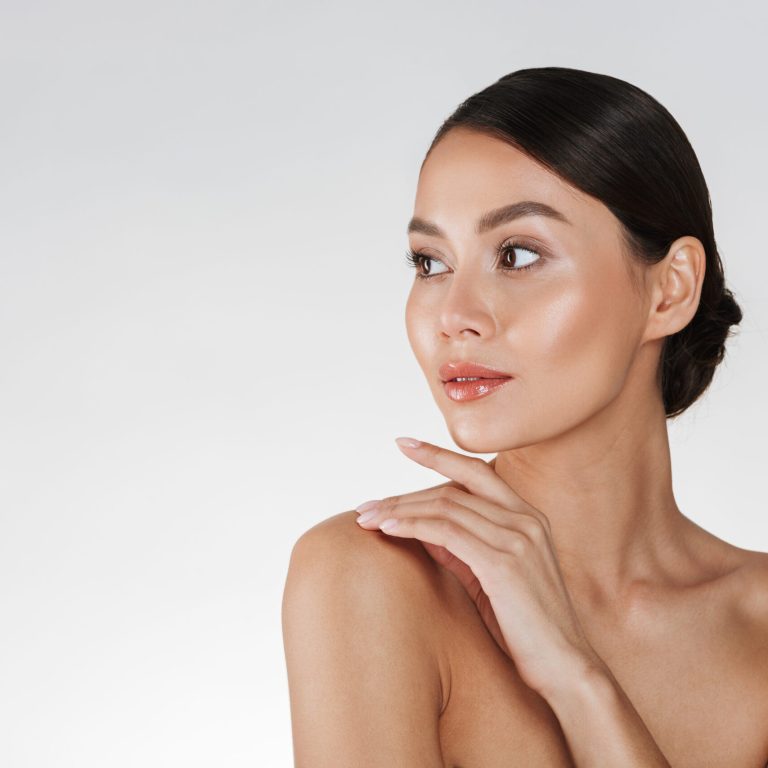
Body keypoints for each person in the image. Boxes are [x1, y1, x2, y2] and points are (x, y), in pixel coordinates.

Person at [280, 67, 768, 767]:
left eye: (517, 254)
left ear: (670, 290)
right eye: (429, 262)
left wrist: (577, 678)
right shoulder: (370, 578)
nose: (453, 317)